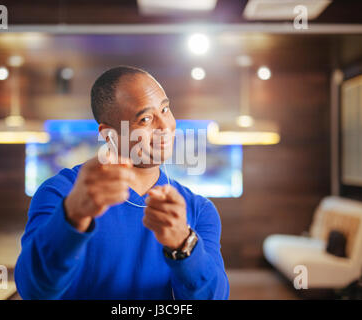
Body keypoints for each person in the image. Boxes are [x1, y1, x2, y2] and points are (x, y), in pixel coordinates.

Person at [14, 66, 229, 300]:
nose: (165, 126)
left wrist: (184, 245)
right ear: (110, 135)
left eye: (165, 109)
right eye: (145, 119)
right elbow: (33, 291)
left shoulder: (198, 209)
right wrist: (73, 215)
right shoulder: (61, 193)